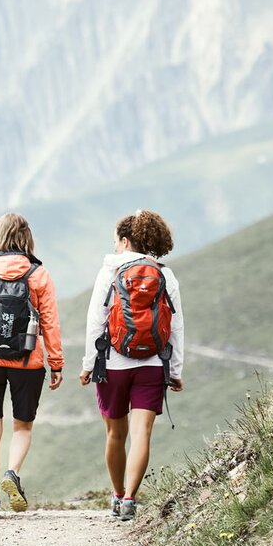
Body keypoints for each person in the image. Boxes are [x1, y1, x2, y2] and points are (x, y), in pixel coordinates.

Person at [79, 209, 185, 521]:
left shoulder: (109, 272)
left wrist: (88, 365)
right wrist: (175, 370)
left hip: (112, 364)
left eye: (115, 241)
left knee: (115, 434)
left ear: (125, 241)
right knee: (142, 433)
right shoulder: (165, 275)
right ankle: (130, 499)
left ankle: (115, 494)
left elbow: (95, 322)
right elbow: (176, 327)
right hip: (152, 364)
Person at [0, 213, 63, 519]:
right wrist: (55, 362)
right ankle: (12, 472)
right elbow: (50, 322)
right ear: (26, 238)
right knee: (22, 427)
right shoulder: (39, 274)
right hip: (27, 360)